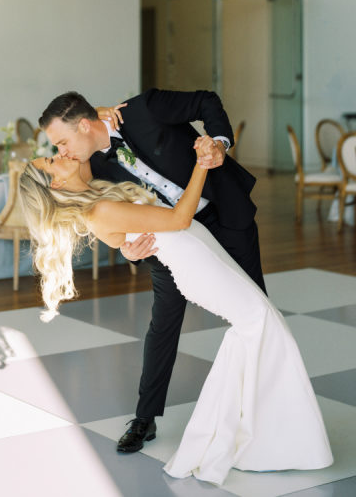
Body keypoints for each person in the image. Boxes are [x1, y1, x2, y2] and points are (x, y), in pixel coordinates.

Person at [19, 150, 333, 486]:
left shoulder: (97, 194)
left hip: (201, 252)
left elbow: (125, 235)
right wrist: (200, 164)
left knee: (257, 328)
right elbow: (179, 219)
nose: (59, 154)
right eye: (51, 161)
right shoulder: (98, 209)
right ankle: (270, 440)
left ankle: (260, 433)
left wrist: (126, 246)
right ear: (54, 181)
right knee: (261, 324)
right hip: (197, 265)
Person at [38, 89, 266, 454]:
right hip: (170, 243)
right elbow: (115, 222)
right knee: (163, 323)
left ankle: (260, 408)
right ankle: (145, 418)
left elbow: (206, 100)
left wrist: (219, 143)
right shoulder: (89, 168)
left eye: (62, 142)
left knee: (257, 310)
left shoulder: (142, 110)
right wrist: (129, 250)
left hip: (224, 212)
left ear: (84, 125)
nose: (61, 152)